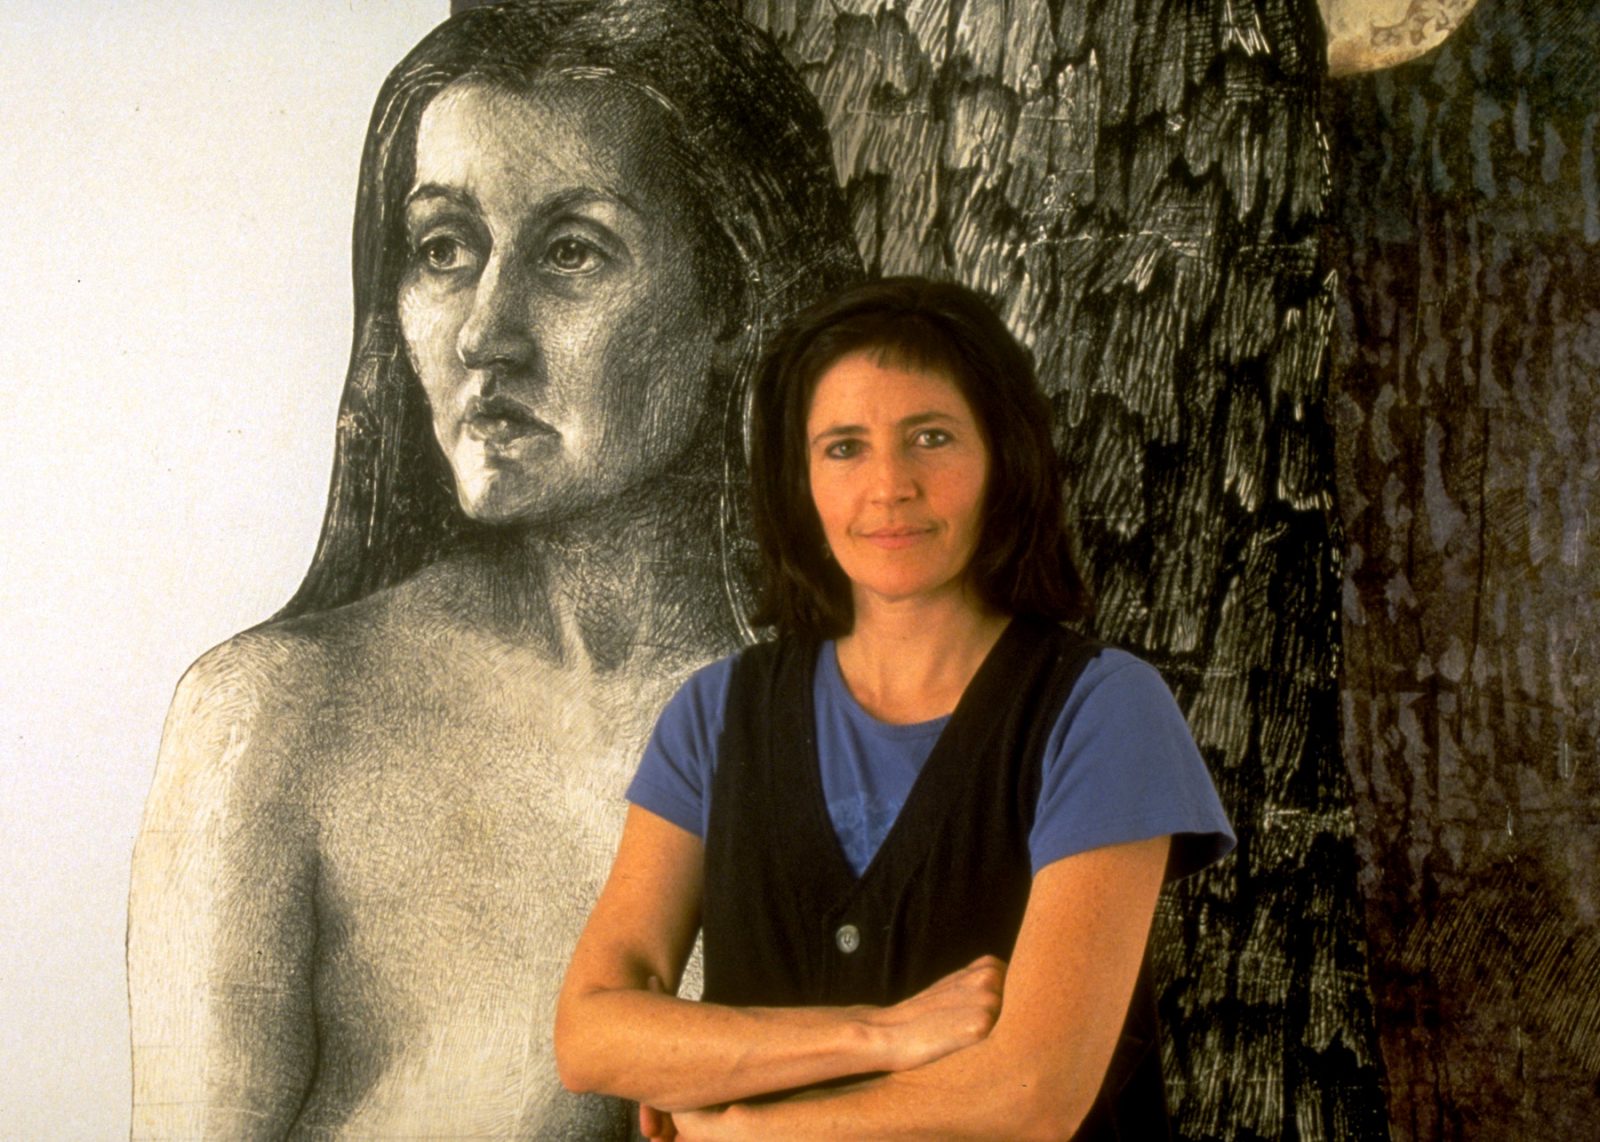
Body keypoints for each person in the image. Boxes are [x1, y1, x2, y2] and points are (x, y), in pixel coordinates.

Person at [126, 2, 859, 1137]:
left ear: (735, 298)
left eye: (572, 251)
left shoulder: (875, 733)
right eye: (443, 250)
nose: (484, 333)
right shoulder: (270, 721)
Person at [555, 276, 1236, 1140]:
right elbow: (590, 1035)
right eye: (844, 447)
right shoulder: (715, 716)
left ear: (1003, 458)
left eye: (931, 438)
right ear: (800, 481)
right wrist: (882, 1034)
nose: (889, 485)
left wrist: (741, 1122)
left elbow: (1032, 1095)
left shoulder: (1103, 711)